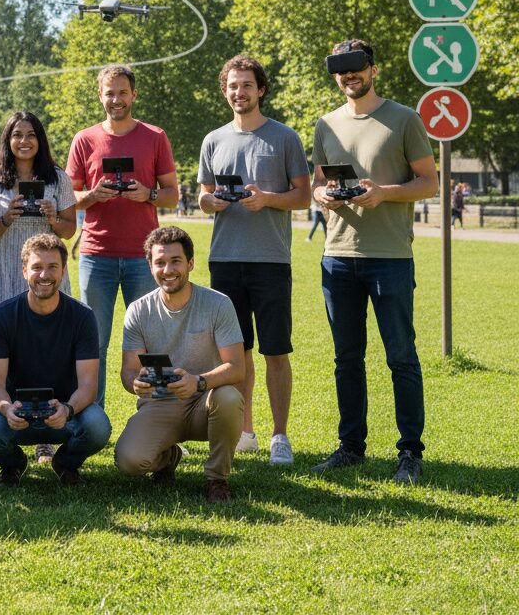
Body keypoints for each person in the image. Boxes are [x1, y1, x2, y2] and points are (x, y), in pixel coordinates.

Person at [311, 39, 438, 485]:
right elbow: (317, 185)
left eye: (356, 69)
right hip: (338, 257)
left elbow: (428, 183)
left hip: (390, 258)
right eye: (341, 71)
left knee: (401, 356)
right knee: (347, 358)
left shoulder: (404, 119)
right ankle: (351, 447)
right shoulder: (325, 125)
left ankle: (410, 452)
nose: (349, 77)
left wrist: (384, 192)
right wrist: (323, 194)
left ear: (373, 70)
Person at [197, 55, 310, 464]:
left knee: (275, 350)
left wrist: (268, 200)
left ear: (261, 90)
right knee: (236, 352)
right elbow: (204, 196)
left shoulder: (285, 138)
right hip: (224, 260)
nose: (239, 92)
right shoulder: (213, 139)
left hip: (271, 260)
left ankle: (280, 436)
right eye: (232, 85)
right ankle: (246, 431)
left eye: (246, 85)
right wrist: (214, 202)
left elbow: (304, 195)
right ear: (224, 90)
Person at [66, 64, 178, 406]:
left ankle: (156, 418)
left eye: (122, 92)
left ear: (134, 94)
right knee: (93, 343)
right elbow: (68, 197)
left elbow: (172, 193)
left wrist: (148, 194)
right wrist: (92, 196)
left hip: (145, 257)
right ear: (100, 95)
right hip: (96, 254)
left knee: (150, 340)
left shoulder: (154, 136)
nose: (116, 99)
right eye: (109, 93)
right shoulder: (84, 139)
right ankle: (91, 419)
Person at [114, 226, 245, 502]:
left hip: (205, 402)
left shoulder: (218, 304)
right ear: (150, 266)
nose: (168, 269)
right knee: (129, 461)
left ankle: (216, 478)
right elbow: (128, 369)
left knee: (230, 397)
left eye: (175, 261)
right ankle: (167, 456)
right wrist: (135, 383)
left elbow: (236, 367)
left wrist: (198, 381)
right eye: (160, 262)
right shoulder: (138, 310)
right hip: (161, 403)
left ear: (190, 263)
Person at [0, 233, 110, 486]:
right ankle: (12, 464)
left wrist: (67, 409)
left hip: (65, 411)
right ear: (24, 271)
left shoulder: (82, 317)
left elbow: (89, 386)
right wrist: (6, 408)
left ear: (64, 271)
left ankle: (65, 464)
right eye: (36, 267)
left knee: (98, 425)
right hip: (17, 412)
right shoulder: (2, 317)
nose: (44, 275)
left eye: (52, 267)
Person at [0, 111, 78, 311]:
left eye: (31, 135)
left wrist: (53, 219)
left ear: (40, 139)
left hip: (45, 276)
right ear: (8, 140)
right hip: (2, 277)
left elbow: (69, 231)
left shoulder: (58, 179)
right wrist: (6, 218)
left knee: (47, 341)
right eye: (17, 135)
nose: (24, 140)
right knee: (6, 341)